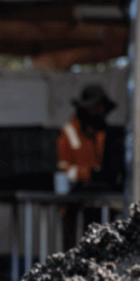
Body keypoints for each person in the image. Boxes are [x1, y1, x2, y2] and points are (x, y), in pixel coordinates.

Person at [57, 84, 116, 249]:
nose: (100, 113)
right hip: (72, 199)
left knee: (99, 241)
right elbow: (63, 169)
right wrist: (87, 174)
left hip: (97, 198)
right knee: (71, 244)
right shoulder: (68, 132)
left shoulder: (102, 133)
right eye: (96, 108)